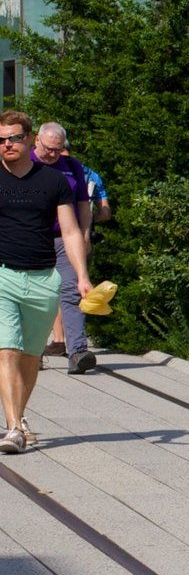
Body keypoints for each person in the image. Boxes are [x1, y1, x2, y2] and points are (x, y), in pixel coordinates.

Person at [0, 112, 95, 452]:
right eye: (1, 140)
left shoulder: (54, 182)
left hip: (42, 276)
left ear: (28, 139)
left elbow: (69, 231)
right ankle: (12, 428)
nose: (6, 144)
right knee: (6, 350)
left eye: (13, 138)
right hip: (3, 275)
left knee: (29, 355)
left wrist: (82, 277)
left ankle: (19, 416)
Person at [33, 124, 97, 374]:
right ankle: (33, 352)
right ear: (36, 140)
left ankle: (78, 351)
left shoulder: (71, 166)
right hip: (33, 238)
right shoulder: (23, 163)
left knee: (72, 290)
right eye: (49, 149)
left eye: (58, 150)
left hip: (65, 238)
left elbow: (83, 204)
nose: (52, 154)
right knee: (37, 295)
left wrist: (84, 234)